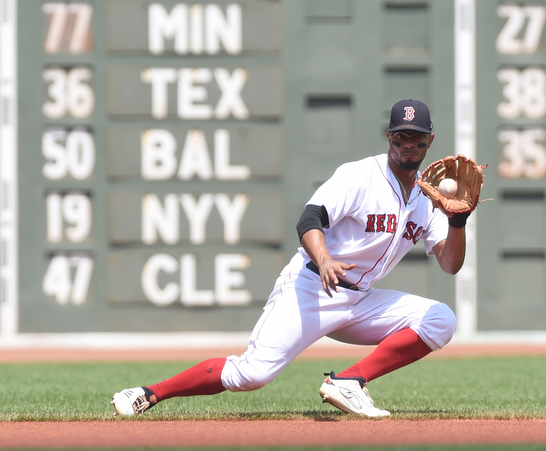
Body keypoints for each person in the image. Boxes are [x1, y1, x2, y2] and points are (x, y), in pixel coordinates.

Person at [111, 99, 470, 418]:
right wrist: (325, 258)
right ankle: (149, 394)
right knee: (251, 375)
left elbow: (450, 264)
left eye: (417, 137)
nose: (408, 143)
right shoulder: (360, 176)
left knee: (440, 319)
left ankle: (349, 381)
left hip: (360, 299)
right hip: (313, 286)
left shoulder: (429, 197)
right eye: (401, 136)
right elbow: (310, 218)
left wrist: (457, 221)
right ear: (389, 137)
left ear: (430, 141)